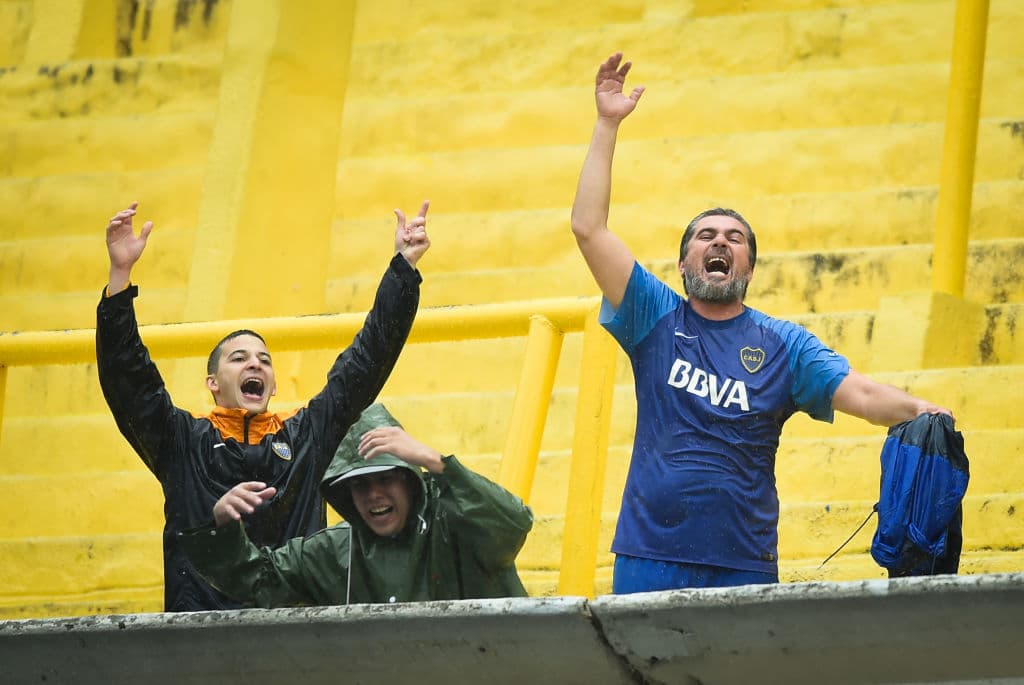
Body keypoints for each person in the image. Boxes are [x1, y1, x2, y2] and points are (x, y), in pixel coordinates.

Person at [570, 52, 954, 593]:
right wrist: (607, 123)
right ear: (683, 265)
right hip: (649, 554)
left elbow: (863, 394)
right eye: (705, 236)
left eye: (735, 238)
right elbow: (589, 228)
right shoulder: (653, 315)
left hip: (745, 563)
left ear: (748, 268)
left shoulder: (784, 345)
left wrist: (920, 410)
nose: (720, 242)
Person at [96, 200, 431, 611]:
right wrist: (119, 279)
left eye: (264, 360)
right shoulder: (182, 442)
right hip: (200, 634)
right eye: (238, 358)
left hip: (295, 633)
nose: (254, 363)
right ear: (213, 383)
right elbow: (129, 380)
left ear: (272, 386)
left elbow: (366, 360)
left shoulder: (306, 435)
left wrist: (403, 268)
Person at [178, 404, 534, 606]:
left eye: (386, 479)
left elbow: (513, 525)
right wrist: (221, 526)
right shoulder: (335, 549)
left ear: (410, 481)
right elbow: (256, 580)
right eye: (360, 484)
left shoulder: (456, 522)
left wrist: (437, 462)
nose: (374, 494)